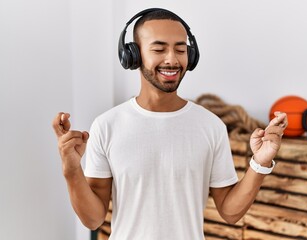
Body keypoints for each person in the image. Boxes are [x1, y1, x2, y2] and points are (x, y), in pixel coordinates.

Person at [52, 8, 287, 240]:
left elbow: (230, 211)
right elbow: (93, 219)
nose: (172, 59)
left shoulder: (210, 126)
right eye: (158, 49)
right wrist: (71, 170)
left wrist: (260, 163)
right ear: (133, 55)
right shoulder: (106, 126)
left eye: (181, 49)